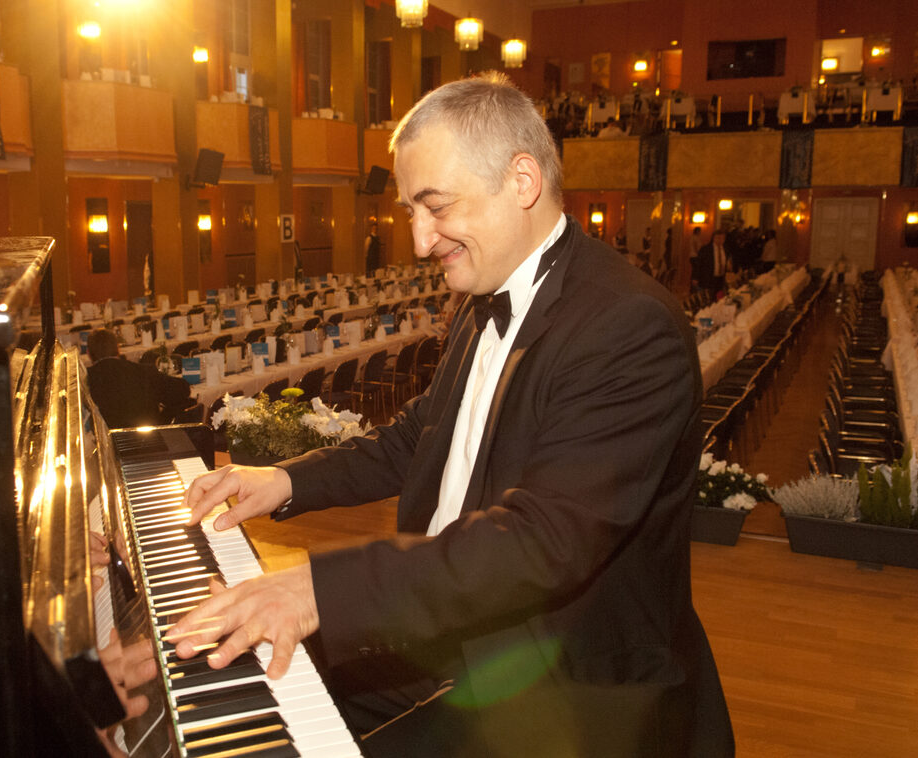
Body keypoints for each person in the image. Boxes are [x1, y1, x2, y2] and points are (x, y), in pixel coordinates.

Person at [169, 73, 733, 757]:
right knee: (225, 679)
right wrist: (285, 480)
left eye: (434, 207)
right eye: (410, 211)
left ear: (520, 181)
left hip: (563, 677)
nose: (417, 240)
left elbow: (541, 541)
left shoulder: (625, 325)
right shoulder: (478, 297)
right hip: (449, 625)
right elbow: (422, 434)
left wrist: (317, 587)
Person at [85, 328, 193, 428]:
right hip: (148, 440)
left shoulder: (85, 381)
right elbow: (183, 390)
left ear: (88, 354)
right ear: (118, 349)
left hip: (108, 444)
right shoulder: (143, 371)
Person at [695, 229, 731, 296]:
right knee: (708, 297)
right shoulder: (705, 249)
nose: (720, 240)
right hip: (709, 278)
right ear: (713, 238)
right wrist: (695, 277)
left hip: (721, 278)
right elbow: (698, 264)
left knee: (719, 297)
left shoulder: (725, 249)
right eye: (718, 238)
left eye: (722, 238)